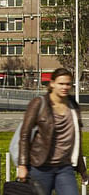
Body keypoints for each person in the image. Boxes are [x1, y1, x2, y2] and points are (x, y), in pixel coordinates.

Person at [17, 67, 88, 195]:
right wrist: (22, 165)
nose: (65, 87)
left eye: (68, 84)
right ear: (52, 83)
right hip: (40, 167)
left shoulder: (73, 105)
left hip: (65, 168)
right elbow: (25, 135)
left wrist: (82, 169)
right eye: (61, 84)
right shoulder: (39, 103)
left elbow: (76, 138)